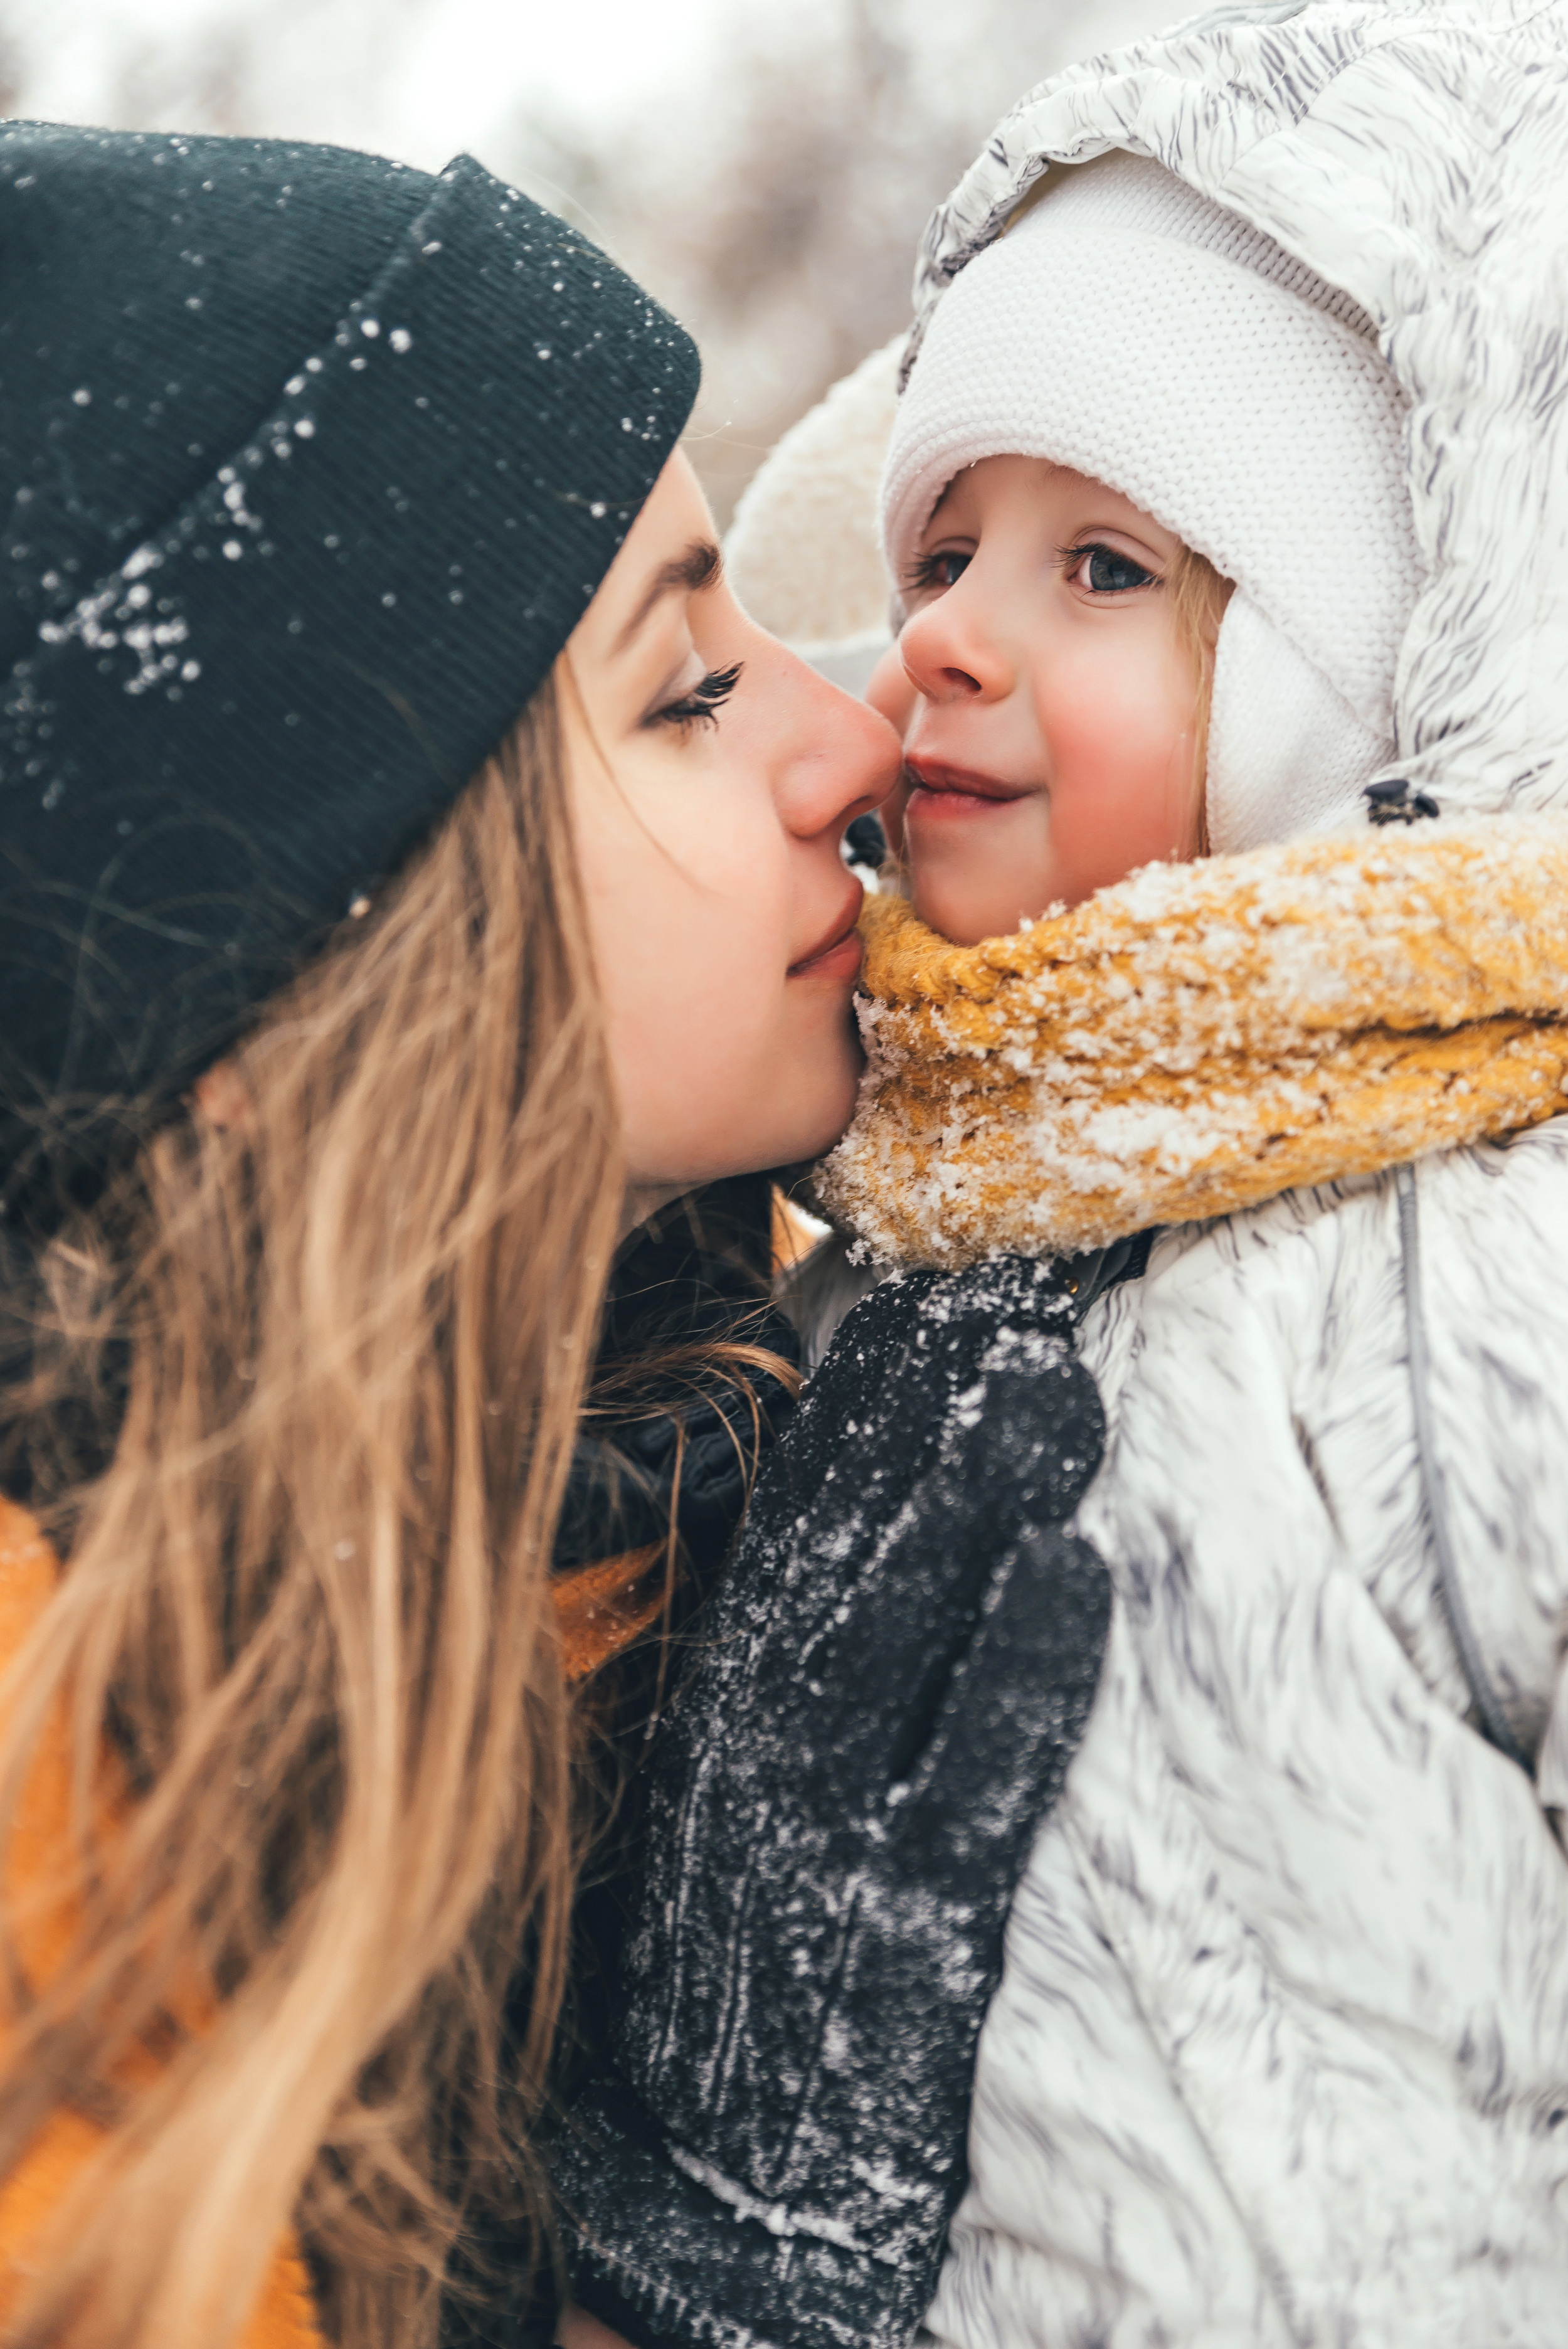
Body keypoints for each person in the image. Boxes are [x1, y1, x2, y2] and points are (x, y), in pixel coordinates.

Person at [551, 4, 1568, 2345]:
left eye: (1101, 565)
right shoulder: (883, 1235)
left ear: (1360, 698)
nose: (939, 634)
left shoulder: (1482, 1251)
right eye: (941, 545)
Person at [0, 121, 901, 2349]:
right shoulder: (60, 1883)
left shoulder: (701, 1499)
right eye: (684, 692)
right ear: (268, 979)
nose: (849, 735)